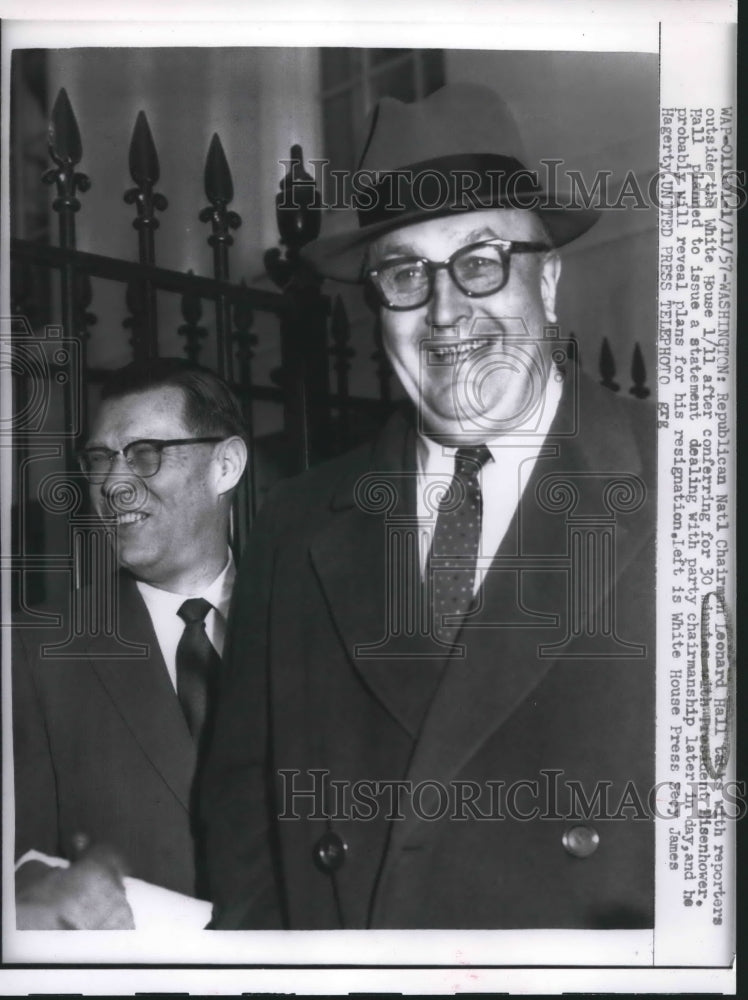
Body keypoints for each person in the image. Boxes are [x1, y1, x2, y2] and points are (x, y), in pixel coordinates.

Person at [204, 83, 655, 929]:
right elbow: (244, 826)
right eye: (406, 273)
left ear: (548, 281)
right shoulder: (296, 526)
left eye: (481, 261)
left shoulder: (691, 490)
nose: (446, 310)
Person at [13, 358, 248, 928]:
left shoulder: (310, 623)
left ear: (225, 465)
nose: (114, 485)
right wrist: (38, 890)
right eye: (99, 459)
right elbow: (16, 855)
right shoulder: (34, 650)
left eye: (146, 453)